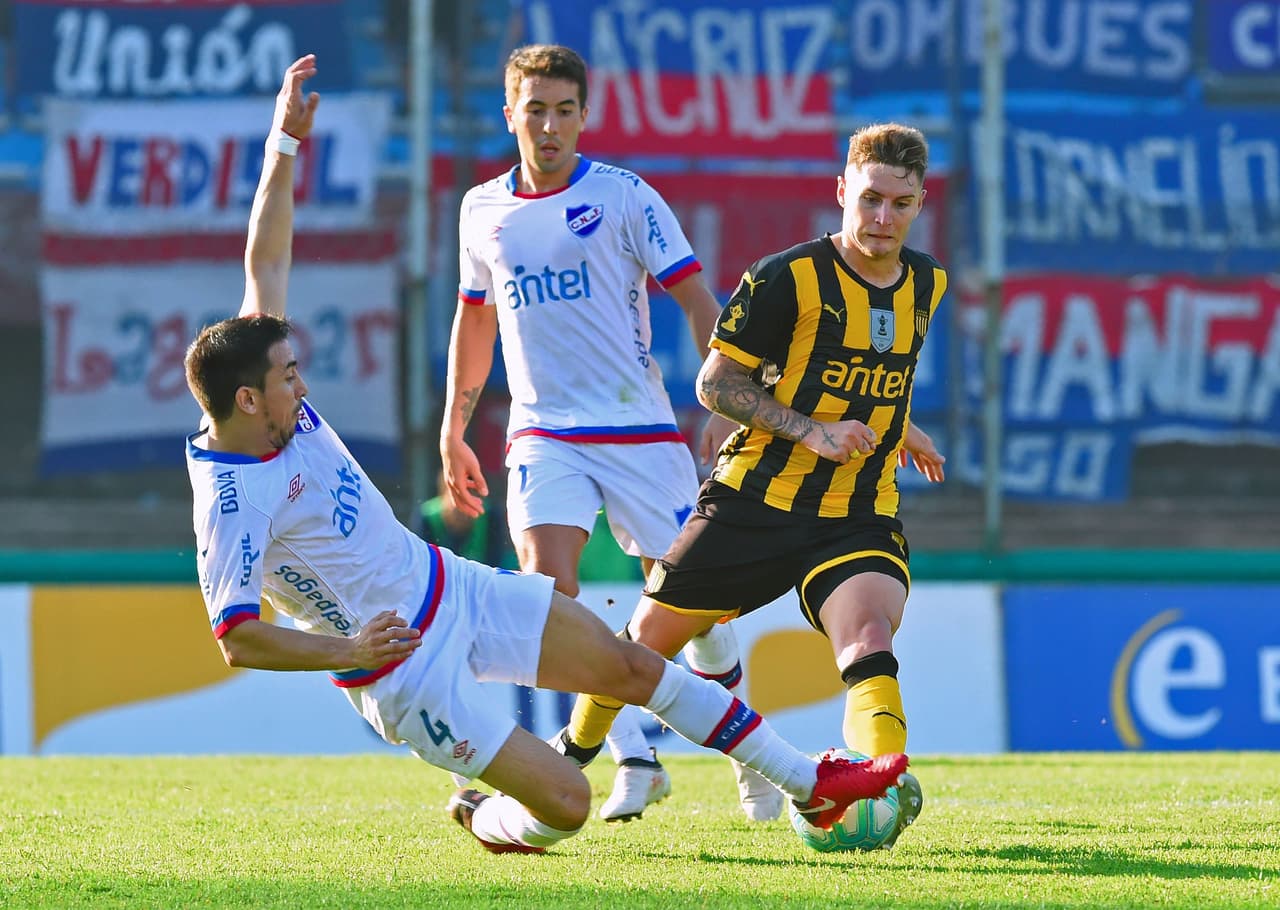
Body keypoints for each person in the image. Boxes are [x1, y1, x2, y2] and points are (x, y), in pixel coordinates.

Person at [183, 54, 908, 857]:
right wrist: (346, 651)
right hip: (399, 671)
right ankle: (490, 813)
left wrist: (283, 144)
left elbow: (266, 260)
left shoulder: (260, 375)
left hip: (454, 584)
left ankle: (810, 784)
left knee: (638, 659)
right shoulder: (228, 501)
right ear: (248, 400)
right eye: (289, 378)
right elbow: (237, 636)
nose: (302, 382)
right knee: (564, 803)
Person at [555, 122, 948, 849]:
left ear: (921, 203)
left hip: (856, 511)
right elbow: (714, 382)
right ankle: (571, 759)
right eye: (869, 200)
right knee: (641, 648)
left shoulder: (927, 281)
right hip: (754, 501)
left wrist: (902, 426)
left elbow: (875, 374)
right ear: (841, 193)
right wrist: (810, 432)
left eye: (899, 203)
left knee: (867, 635)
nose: (883, 218)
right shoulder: (786, 278)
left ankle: (877, 781)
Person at [440, 43, 780, 822]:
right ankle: (633, 754)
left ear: (585, 116)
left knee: (694, 605)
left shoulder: (627, 197)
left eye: (565, 110)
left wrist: (726, 392)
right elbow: (473, 318)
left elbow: (698, 298)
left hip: (637, 429)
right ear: (510, 115)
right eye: (535, 109)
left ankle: (752, 763)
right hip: (541, 432)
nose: (550, 126)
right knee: (546, 591)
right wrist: (452, 431)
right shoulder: (481, 208)